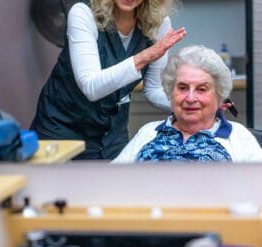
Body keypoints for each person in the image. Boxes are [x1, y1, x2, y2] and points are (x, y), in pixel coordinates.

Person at [30, 0, 186, 160]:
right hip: (62, 129)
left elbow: (154, 89)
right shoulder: (83, 13)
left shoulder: (158, 23)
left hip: (112, 136)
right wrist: (144, 57)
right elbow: (91, 86)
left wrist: (188, 102)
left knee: (114, 184)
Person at [112, 45, 262, 163]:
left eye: (201, 89)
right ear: (171, 92)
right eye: (182, 88)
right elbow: (112, 182)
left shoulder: (238, 136)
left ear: (219, 96)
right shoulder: (148, 132)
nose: (190, 98)